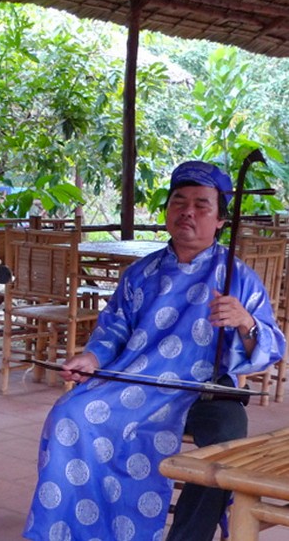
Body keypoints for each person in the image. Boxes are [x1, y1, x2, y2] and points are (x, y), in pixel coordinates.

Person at [22, 161, 285, 541]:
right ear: (167, 211)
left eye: (201, 205)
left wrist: (246, 322)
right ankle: (78, 529)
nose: (188, 212)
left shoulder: (238, 276)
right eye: (179, 202)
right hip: (138, 382)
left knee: (226, 440)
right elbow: (113, 330)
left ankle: (188, 535)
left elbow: (271, 348)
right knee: (70, 413)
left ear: (220, 221)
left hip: (203, 389)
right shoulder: (140, 273)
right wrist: (92, 358)